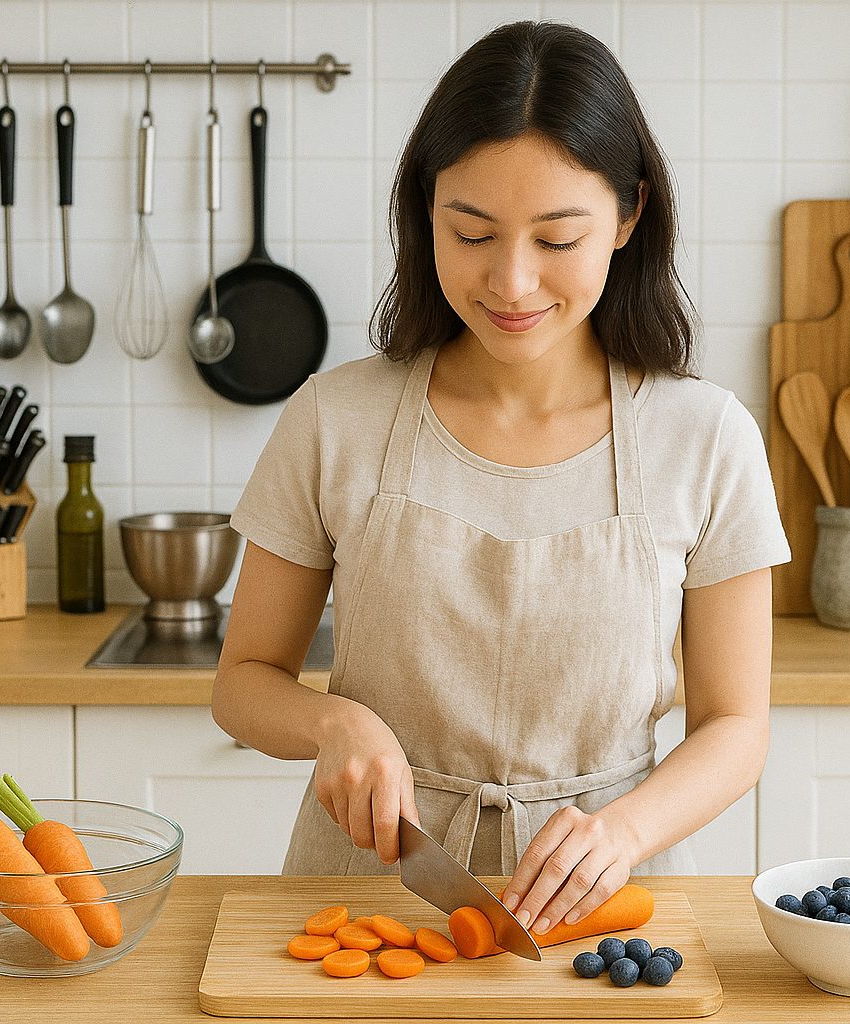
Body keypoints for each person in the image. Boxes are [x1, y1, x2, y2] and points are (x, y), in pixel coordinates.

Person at [212, 20, 789, 939]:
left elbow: (735, 726)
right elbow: (242, 680)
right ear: (424, 213)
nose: (512, 282)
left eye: (558, 239)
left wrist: (623, 830)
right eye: (471, 233)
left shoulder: (705, 435)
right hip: (364, 898)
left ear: (630, 218)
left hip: (606, 904)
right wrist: (331, 726)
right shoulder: (334, 418)